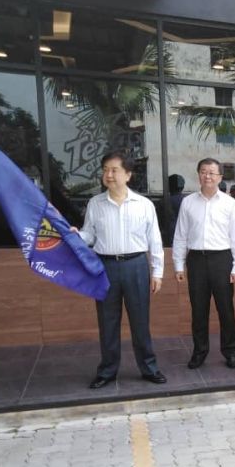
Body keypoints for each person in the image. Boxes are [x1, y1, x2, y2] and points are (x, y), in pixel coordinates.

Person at [75, 150, 165, 389]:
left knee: (140, 321)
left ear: (128, 174)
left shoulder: (144, 205)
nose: (109, 175)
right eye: (105, 170)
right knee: (108, 322)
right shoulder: (95, 203)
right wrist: (76, 236)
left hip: (136, 266)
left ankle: (149, 368)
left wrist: (157, 272)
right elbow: (90, 235)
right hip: (105, 267)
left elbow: (154, 240)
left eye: (114, 170)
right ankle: (107, 371)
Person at [172, 158, 235, 370]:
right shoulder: (188, 202)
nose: (208, 176)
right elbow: (180, 235)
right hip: (196, 261)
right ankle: (199, 352)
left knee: (226, 309)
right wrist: (178, 263)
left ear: (220, 177)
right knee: (198, 310)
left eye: (212, 172)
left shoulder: (230, 203)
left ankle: (231, 351)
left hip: (222, 259)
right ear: (198, 175)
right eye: (204, 171)